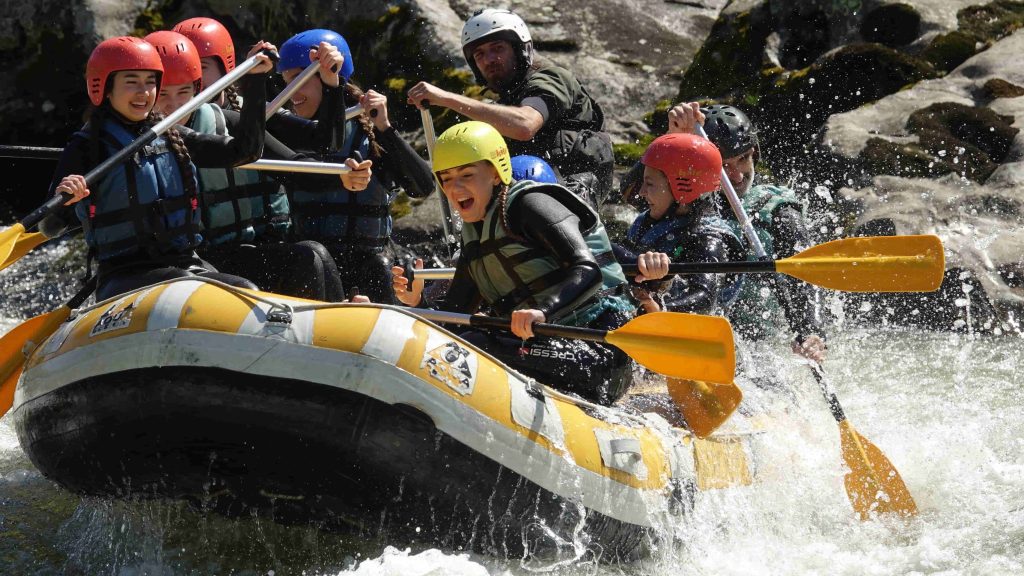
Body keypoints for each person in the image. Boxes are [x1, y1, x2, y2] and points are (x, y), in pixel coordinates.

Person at [391, 121, 633, 406]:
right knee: (462, 340)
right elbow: (453, 320)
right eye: (445, 179)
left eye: (466, 175)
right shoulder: (475, 238)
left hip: (599, 346)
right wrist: (416, 303)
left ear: (496, 174)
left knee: (475, 345)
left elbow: (589, 272)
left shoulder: (530, 205)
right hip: (543, 345)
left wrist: (541, 312)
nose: (454, 188)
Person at [39, 36, 276, 301]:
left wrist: (256, 81)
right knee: (188, 286)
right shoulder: (88, 146)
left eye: (150, 82)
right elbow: (49, 226)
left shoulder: (170, 133)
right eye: (132, 83)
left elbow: (246, 151)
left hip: (187, 264)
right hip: (123, 275)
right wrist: (68, 200)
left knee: (247, 290)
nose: (144, 92)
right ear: (105, 88)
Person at [151, 26, 345, 301]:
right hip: (201, 259)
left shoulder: (243, 116)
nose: (184, 73)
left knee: (315, 254)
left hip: (258, 246)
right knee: (306, 258)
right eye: (165, 88)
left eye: (199, 66)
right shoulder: (154, 133)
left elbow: (321, 145)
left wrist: (331, 85)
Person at [272, 28, 435, 304]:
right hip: (312, 264)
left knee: (380, 267)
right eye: (287, 83)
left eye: (300, 80)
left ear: (332, 74)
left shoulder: (368, 132)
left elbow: (422, 187)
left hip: (368, 266)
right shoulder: (286, 131)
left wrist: (385, 127)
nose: (292, 94)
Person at [667, 102, 827, 363]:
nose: (737, 176)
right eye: (724, 167)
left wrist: (812, 330)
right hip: (693, 331)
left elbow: (806, 273)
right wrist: (672, 135)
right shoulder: (688, 201)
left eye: (742, 159)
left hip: (756, 348)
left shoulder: (776, 208)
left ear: (755, 152)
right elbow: (637, 193)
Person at [406, 8, 614, 204]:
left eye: (498, 48)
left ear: (520, 50)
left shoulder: (551, 78)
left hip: (573, 194)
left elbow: (525, 125)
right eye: (479, 54)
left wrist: (446, 99)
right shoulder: (500, 106)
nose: (489, 60)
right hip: (528, 199)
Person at [612, 133, 742, 317]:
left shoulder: (708, 238)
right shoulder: (651, 220)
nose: (641, 192)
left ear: (682, 190)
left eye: (649, 184)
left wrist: (660, 310)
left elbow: (704, 297)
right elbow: (628, 189)